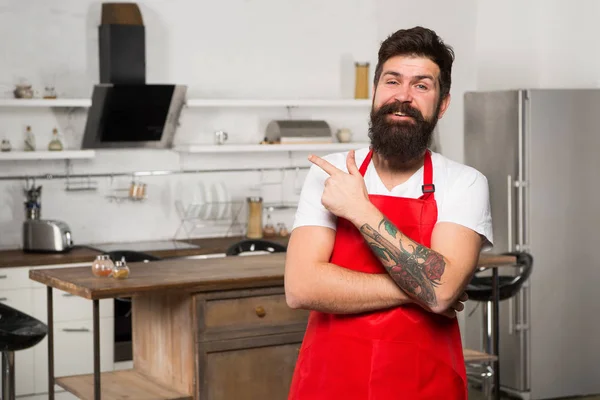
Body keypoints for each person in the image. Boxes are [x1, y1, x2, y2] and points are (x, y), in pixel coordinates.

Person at [285, 26, 493, 399]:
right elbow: (301, 288)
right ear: (375, 92)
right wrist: (422, 290)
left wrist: (359, 210)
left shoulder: (465, 183)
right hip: (329, 380)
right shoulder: (330, 173)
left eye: (421, 86)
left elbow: (442, 292)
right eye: (392, 81)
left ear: (442, 104)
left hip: (424, 383)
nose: (403, 96)